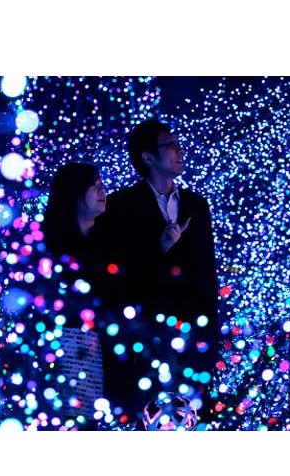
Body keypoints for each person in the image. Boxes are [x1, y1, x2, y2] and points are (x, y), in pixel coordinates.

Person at [94, 118, 219, 425]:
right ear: (148, 157)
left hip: (191, 330)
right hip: (144, 333)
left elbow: (207, 271)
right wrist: (159, 248)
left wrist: (211, 331)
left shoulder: (196, 205)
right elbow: (116, 271)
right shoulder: (120, 205)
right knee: (146, 415)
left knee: (189, 414)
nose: (180, 150)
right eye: (170, 145)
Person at [41, 162, 107, 429]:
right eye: (95, 186)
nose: (103, 191)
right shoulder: (50, 245)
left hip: (104, 346)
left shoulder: (109, 240)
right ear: (74, 193)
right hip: (68, 346)